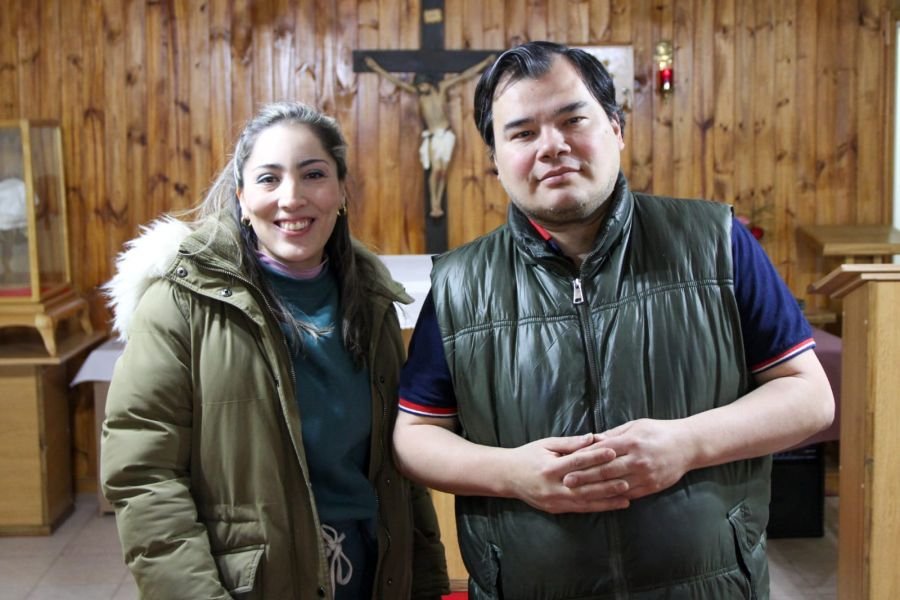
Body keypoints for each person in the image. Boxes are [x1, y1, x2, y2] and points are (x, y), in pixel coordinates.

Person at [393, 41, 834, 599]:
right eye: (522, 133)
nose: (552, 147)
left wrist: (688, 443)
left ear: (616, 128)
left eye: (572, 119)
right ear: (495, 158)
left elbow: (809, 396)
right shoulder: (458, 284)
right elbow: (416, 435)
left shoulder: (715, 244)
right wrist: (513, 474)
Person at [100, 101, 449, 600]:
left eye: (313, 174)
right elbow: (143, 474)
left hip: (373, 573)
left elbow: (399, 468)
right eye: (268, 179)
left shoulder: (373, 304)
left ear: (341, 191)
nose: (292, 197)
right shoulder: (181, 303)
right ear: (241, 197)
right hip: (253, 582)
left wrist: (427, 580)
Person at [364, 54, 494, 219]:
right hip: (433, 136)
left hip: (446, 135)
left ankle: (438, 200)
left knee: (442, 172)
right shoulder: (419, 93)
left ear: (428, 83)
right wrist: (375, 67)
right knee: (436, 171)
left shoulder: (441, 88)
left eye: (422, 86)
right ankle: (435, 203)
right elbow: (397, 82)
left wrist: (484, 63)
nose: (420, 90)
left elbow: (464, 75)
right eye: (419, 87)